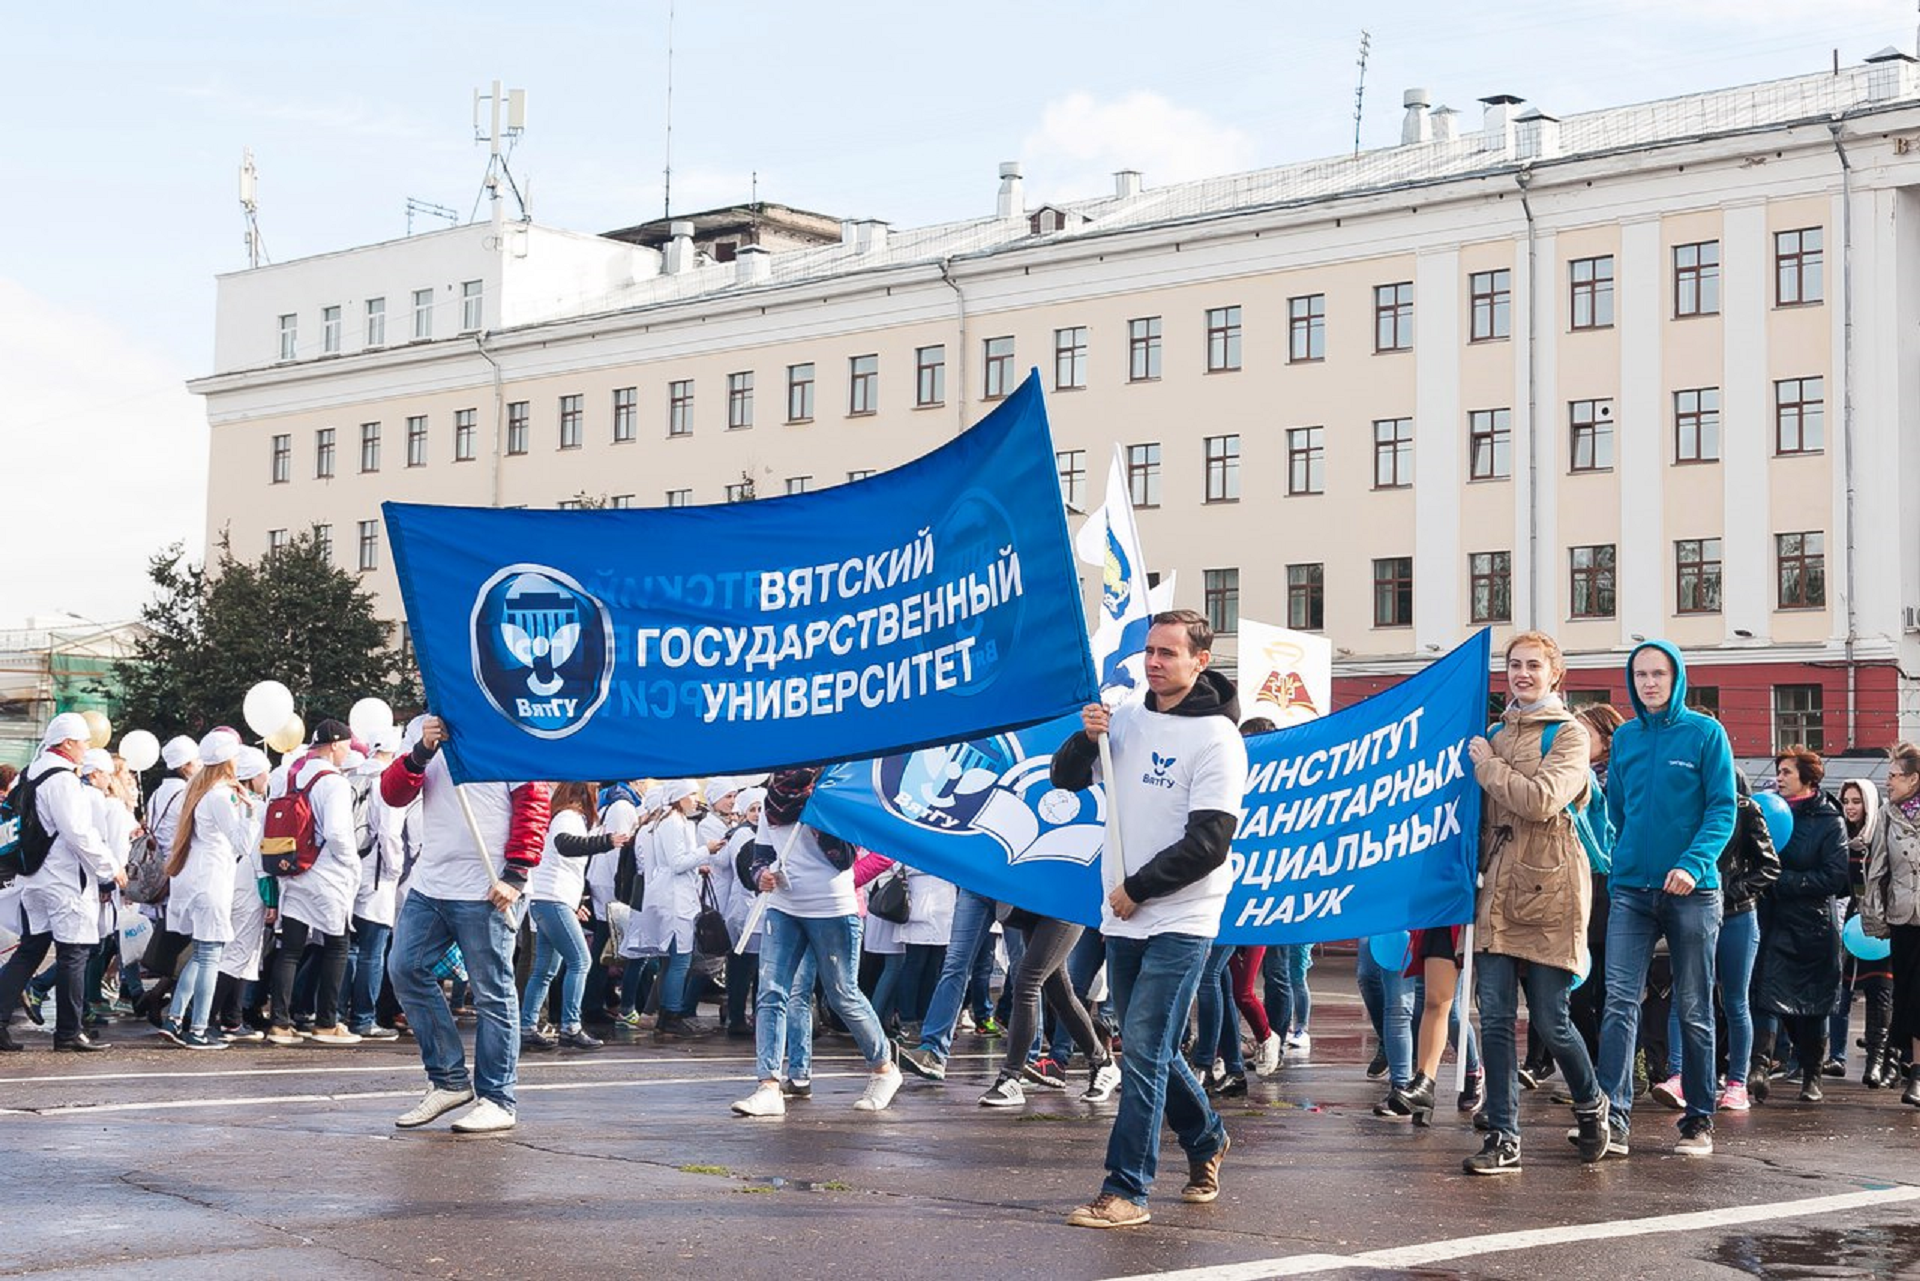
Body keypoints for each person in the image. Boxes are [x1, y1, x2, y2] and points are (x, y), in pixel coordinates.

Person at [1050, 609, 1247, 1230]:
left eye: (1169, 652)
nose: (1154, 662)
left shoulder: (1217, 736)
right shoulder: (1126, 717)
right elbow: (1065, 779)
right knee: (1148, 1047)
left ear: (1200, 661)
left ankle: (1126, 1188)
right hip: (1124, 913)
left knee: (1141, 1049)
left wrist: (1139, 887)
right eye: (1150, 651)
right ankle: (1207, 1136)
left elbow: (1211, 841)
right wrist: (1086, 737)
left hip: (1183, 912)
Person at [1455, 631, 1608, 1174]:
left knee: (1550, 1019)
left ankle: (1592, 1102)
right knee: (1494, 1017)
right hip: (1496, 888)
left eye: (1533, 666)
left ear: (1554, 674)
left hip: (1550, 890)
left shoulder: (1568, 736)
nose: (1522, 674)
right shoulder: (1494, 732)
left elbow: (1542, 801)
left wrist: (1487, 766)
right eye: (1515, 665)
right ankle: (1504, 1135)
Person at [1596, 641, 1736, 1159]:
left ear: (1677, 678)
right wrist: (1614, 865)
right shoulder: (1627, 738)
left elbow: (1722, 810)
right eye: (1640, 675)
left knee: (1694, 1006)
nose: (1649, 683)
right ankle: (1612, 1118)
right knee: (1618, 1002)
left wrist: (1693, 864)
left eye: (1658, 674)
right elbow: (1614, 813)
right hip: (1632, 891)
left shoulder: (1705, 733)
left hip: (1693, 893)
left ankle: (1698, 1121)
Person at [381, 714, 551, 1134]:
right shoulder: (423, 726)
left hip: (486, 885)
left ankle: (497, 1097)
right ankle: (449, 1080)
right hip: (431, 881)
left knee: (492, 993)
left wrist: (516, 873)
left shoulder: (509, 722)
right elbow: (393, 794)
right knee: (404, 968)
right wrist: (421, 751)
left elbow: (533, 798)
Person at [730, 768, 902, 1117]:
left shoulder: (832, 797)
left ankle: (884, 1067)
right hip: (783, 906)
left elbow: (844, 859)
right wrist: (759, 875)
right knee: (771, 992)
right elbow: (761, 853)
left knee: (842, 994)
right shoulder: (769, 802)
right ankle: (768, 1085)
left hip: (832, 908)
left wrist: (819, 814)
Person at [0, 712, 125, 1052]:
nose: (86, 748)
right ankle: (69, 1032)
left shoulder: (30, 773)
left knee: (31, 949)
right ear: (67, 743)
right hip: (62, 879)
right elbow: (78, 833)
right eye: (83, 741)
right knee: (74, 952)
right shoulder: (63, 780)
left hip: (32, 876)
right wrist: (109, 867)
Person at [1652, 775, 1778, 1111]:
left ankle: (1737, 1082)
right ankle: (1679, 1076)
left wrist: (1730, 893)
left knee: (1735, 1000)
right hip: (1691, 911)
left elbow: (1769, 866)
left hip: (1736, 915)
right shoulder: (1681, 803)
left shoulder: (1744, 807)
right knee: (1685, 995)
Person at [1752, 746, 1848, 1103]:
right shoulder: (1767, 813)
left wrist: (1781, 881)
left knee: (1814, 1003)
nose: (1779, 778)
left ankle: (1812, 1074)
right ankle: (1760, 1067)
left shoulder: (1829, 820)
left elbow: (1835, 877)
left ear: (1807, 778)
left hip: (1815, 926)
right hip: (1774, 920)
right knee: (1767, 994)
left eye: (1787, 772)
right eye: (1778, 771)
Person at [267, 719, 363, 1047]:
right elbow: (337, 832)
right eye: (347, 746)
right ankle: (327, 1023)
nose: (348, 751)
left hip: (294, 867)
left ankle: (279, 1023)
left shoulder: (293, 774)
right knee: (337, 945)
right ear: (335, 745)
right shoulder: (333, 782)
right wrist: (352, 865)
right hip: (327, 873)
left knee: (290, 949)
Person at [520, 781, 629, 1050]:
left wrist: (575, 900)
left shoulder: (559, 816)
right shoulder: (569, 817)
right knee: (580, 961)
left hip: (548, 899)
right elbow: (565, 845)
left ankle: (527, 1026)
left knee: (544, 969)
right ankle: (570, 1026)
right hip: (554, 899)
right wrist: (606, 842)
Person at [978, 907, 1121, 1108]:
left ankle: (1010, 1076)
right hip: (1035, 903)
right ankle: (1102, 1063)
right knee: (1058, 991)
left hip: (1064, 903)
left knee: (1028, 982)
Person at [160, 730, 248, 1050]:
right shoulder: (221, 796)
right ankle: (197, 1028)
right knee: (211, 957)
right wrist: (249, 809)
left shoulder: (198, 791)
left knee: (200, 956)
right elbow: (244, 843)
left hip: (195, 880)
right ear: (227, 761)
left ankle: (174, 1017)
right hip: (212, 882)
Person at [1862, 741, 1920, 1105]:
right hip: (1903, 917)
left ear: (1914, 779)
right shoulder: (1887, 813)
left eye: (1895, 776)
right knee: (1909, 996)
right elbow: (1877, 869)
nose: (1888, 782)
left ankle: (1917, 1073)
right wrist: (1875, 917)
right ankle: (1914, 1069)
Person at [635, 780, 712, 1036]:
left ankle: (667, 1014)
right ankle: (671, 1014)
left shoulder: (672, 822)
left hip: (676, 897)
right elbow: (677, 862)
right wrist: (705, 851)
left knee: (672, 960)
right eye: (691, 794)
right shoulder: (673, 824)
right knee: (680, 960)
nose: (695, 798)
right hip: (675, 900)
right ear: (679, 797)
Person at [1835, 778, 1895, 1087]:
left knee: (1880, 994)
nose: (1850, 808)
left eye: (1856, 801)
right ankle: (1842, 1056)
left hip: (1884, 925)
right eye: (1846, 801)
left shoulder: (1883, 836)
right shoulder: (1843, 839)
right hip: (1854, 927)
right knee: (1847, 993)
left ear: (1869, 803)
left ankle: (1878, 1062)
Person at [212, 747, 274, 1041]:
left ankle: (231, 1018)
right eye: (265, 772)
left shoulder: (231, 801)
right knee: (237, 952)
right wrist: (270, 894)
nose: (268, 777)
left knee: (242, 953)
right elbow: (259, 853)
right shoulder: (256, 808)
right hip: (249, 883)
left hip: (233, 879)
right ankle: (206, 1016)